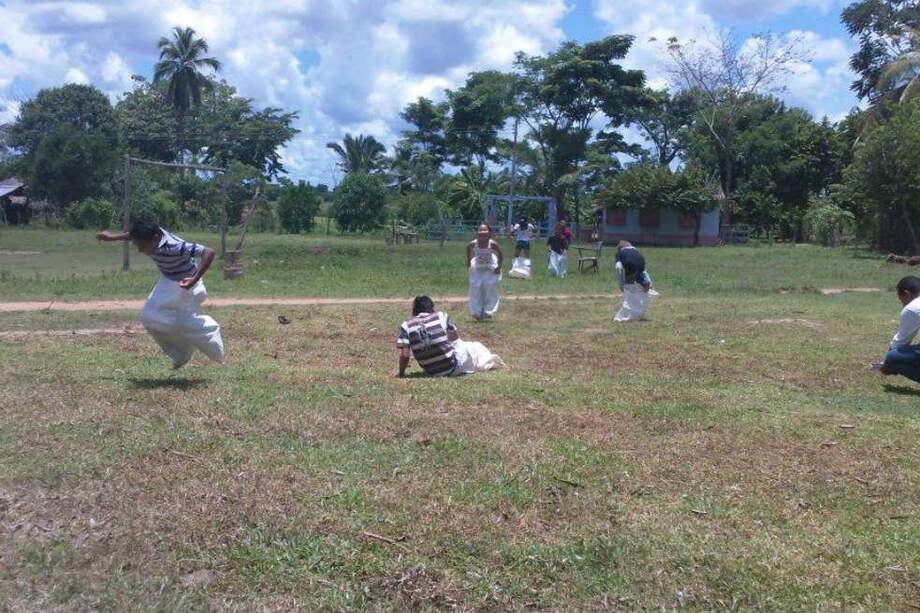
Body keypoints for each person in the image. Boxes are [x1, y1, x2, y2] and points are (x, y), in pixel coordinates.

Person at [96, 219, 225, 369]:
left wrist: (194, 279)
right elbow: (132, 235)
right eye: (138, 245)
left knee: (181, 321)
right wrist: (111, 237)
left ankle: (211, 335)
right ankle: (180, 354)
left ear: (156, 239)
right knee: (149, 317)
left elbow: (208, 252)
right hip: (168, 280)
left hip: (187, 283)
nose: (140, 250)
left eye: (142, 246)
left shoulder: (175, 246)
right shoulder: (150, 235)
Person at [397, 296, 503, 377]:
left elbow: (405, 356)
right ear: (431, 308)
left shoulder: (406, 325)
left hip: (431, 371)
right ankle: (488, 361)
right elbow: (455, 341)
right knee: (475, 346)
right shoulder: (441, 316)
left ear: (415, 310)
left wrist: (401, 373)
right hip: (452, 367)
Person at [876, 276, 920, 383]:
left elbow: (901, 342)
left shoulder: (912, 308)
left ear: (906, 294)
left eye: (902, 300)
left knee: (893, 357)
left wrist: (887, 363)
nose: (903, 304)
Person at [613, 240, 657, 322]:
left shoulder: (620, 253)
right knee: (640, 275)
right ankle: (646, 285)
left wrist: (621, 284)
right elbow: (643, 270)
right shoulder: (636, 251)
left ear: (620, 249)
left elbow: (619, 267)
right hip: (641, 264)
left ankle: (629, 314)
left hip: (629, 268)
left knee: (630, 291)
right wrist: (648, 281)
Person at [466, 224, 502, 320]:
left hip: (489, 267)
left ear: (489, 233)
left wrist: (498, 266)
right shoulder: (474, 243)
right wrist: (468, 262)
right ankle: (476, 312)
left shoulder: (492, 243)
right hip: (477, 267)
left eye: (485, 231)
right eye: (480, 231)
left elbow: (500, 254)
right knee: (475, 287)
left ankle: (489, 311)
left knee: (489, 286)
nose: (482, 233)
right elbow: (468, 248)